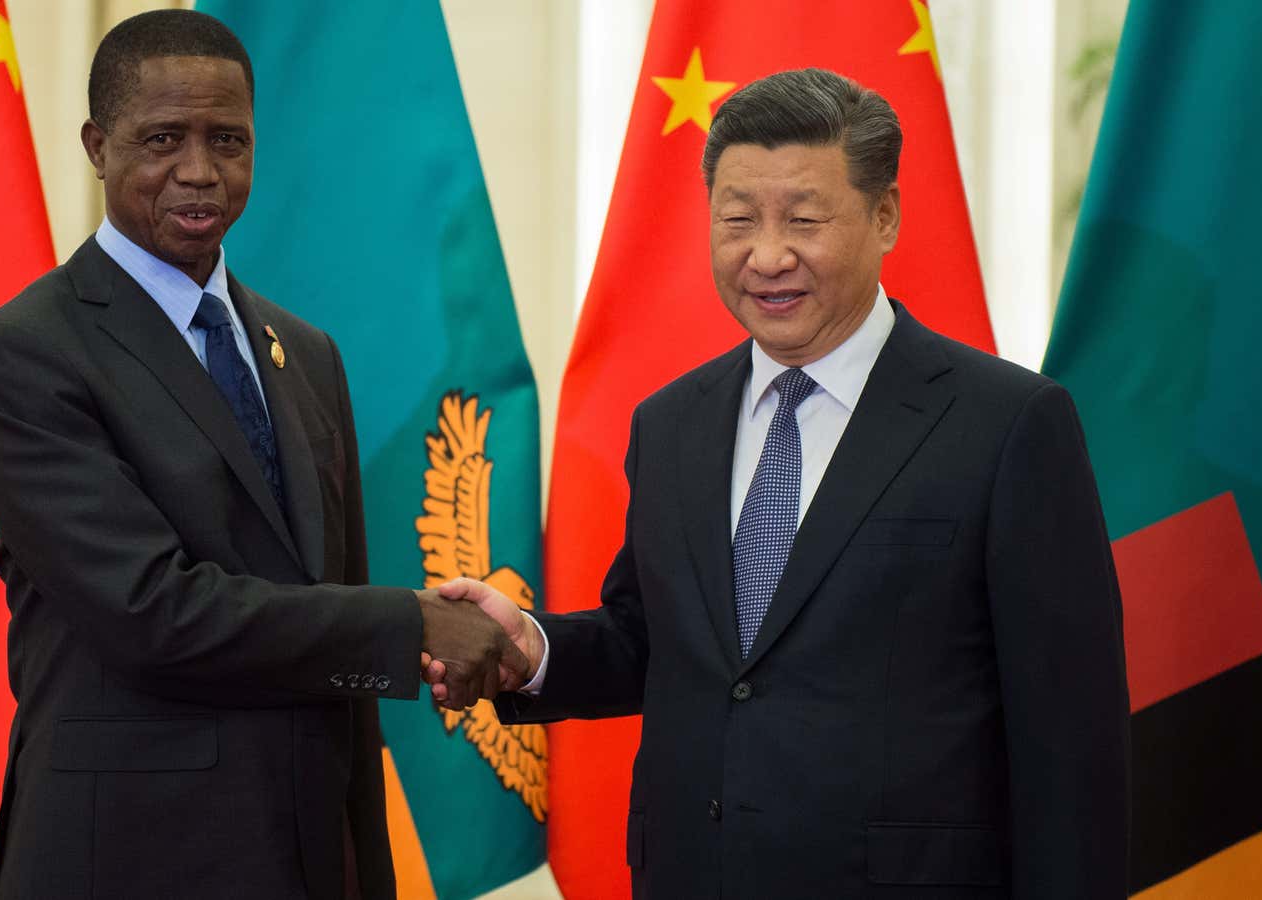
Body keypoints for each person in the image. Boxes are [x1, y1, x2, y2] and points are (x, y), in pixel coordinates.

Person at [433, 68, 1129, 898]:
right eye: (737, 221)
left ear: (886, 216)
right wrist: (533, 651)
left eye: (804, 219)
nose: (766, 256)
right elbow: (657, 643)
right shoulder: (671, 423)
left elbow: (1070, 740)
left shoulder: (1009, 423)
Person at [0, 10, 520, 899]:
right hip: (127, 859)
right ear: (98, 146)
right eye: (163, 139)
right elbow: (152, 613)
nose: (200, 171)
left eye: (228, 140)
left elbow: (330, 620)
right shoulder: (26, 353)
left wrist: (364, 867)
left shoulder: (307, 351)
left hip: (301, 851)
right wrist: (410, 625)